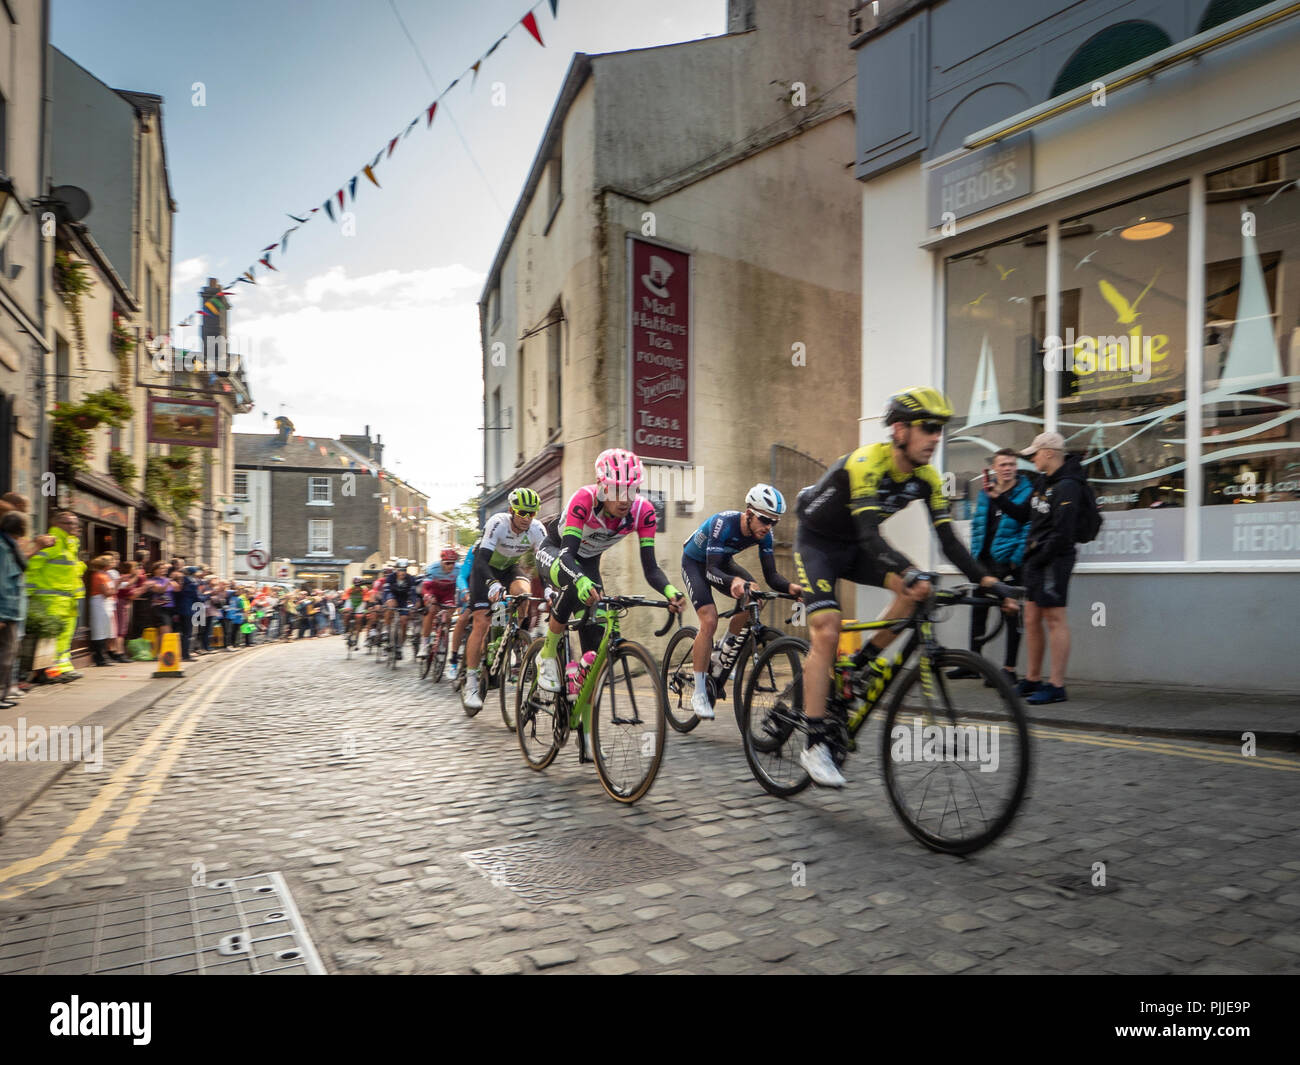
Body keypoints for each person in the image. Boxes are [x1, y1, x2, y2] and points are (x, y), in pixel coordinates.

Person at [792, 387, 1019, 787]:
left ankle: (858, 670)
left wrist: (988, 581)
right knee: (827, 629)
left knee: (916, 590)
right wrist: (910, 569)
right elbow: (869, 537)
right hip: (819, 544)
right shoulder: (866, 463)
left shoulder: (927, 478)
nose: (936, 437)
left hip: (857, 546)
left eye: (941, 430)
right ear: (899, 430)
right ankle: (814, 743)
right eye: (928, 428)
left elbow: (948, 541)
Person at [534, 450, 685, 697]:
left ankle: (578, 676)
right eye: (616, 490)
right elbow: (567, 556)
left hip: (589, 563)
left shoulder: (643, 513)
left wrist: (670, 591)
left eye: (631, 490)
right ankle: (547, 653)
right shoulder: (584, 499)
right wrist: (581, 580)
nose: (625, 499)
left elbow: (651, 568)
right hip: (557, 552)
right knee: (574, 584)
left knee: (600, 640)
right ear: (602, 488)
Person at [680, 485, 801, 719]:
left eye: (773, 522)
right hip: (696, 563)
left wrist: (791, 587)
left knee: (755, 595)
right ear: (748, 513)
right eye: (765, 519)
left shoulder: (765, 535)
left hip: (721, 562)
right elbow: (711, 568)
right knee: (709, 619)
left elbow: (771, 576)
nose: (768, 527)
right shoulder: (722, 523)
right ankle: (699, 691)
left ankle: (723, 651)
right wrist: (734, 581)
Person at [985, 431, 1085, 705]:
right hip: (1037, 560)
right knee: (1030, 619)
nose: (1032, 459)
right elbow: (1024, 515)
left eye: (1035, 454)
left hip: (1053, 561)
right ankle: (1032, 679)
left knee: (1055, 620)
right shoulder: (1042, 481)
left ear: (1049, 453)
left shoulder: (1068, 486)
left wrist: (1038, 556)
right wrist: (998, 498)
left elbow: (1063, 535)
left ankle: (1056, 685)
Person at [948, 448, 1032, 686]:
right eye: (1003, 464)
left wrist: (1015, 559)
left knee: (1011, 613)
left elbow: (1027, 528)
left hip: (1008, 563)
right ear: (994, 468)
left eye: (1012, 464)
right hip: (984, 563)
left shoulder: (1025, 491)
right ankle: (973, 664)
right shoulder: (987, 492)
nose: (1007, 468)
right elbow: (977, 525)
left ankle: (1009, 669)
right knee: (978, 612)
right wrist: (974, 556)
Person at [462, 490, 549, 710]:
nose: (526, 517)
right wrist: (492, 583)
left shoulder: (538, 529)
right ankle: (471, 682)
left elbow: (544, 565)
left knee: (523, 593)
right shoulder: (497, 523)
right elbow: (481, 561)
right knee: (481, 623)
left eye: (532, 513)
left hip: (509, 568)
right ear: (511, 510)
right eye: (522, 512)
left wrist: (549, 590)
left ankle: (516, 639)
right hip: (485, 570)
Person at [25, 510, 88, 683]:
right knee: (48, 640)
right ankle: (47, 672)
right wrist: (29, 595)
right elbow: (31, 568)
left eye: (76, 524)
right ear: (57, 524)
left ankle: (62, 669)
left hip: (67, 602)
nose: (75, 527)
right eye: (70, 523)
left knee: (63, 640)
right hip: (50, 601)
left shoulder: (70, 545)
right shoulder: (51, 542)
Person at [0, 510, 30, 706]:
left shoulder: (10, 546)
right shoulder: (4, 548)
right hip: (5, 611)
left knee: (8, 656)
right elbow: (2, 582)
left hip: (11, 610)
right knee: (5, 656)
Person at [447, 544, 476, 682]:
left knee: (500, 623)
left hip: (495, 596)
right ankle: (453, 660)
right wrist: (465, 591)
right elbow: (461, 576)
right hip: (472, 591)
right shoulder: (475, 549)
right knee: (463, 619)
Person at [87, 555, 118, 666]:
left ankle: (103, 655)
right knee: (99, 629)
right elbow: (107, 593)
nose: (114, 563)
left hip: (105, 603)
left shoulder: (105, 575)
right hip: (99, 603)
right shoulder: (99, 576)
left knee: (106, 629)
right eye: (111, 561)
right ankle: (99, 657)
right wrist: (117, 585)